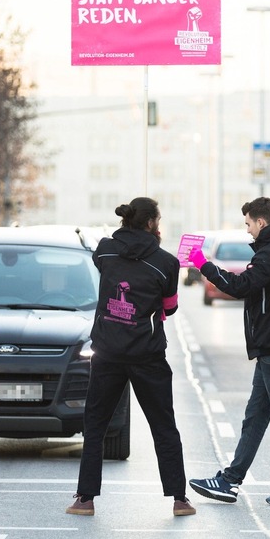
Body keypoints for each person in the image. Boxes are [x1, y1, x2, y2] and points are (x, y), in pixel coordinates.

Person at [67, 197, 196, 517]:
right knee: (163, 425)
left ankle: (85, 499)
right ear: (152, 223)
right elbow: (169, 308)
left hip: (108, 351)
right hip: (147, 355)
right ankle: (179, 499)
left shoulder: (106, 250)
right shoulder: (166, 263)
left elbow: (106, 262)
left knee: (95, 424)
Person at [186, 197, 270, 506]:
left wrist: (203, 264)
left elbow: (240, 286)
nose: (247, 231)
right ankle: (229, 481)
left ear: (261, 222)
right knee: (254, 420)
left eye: (248, 224)